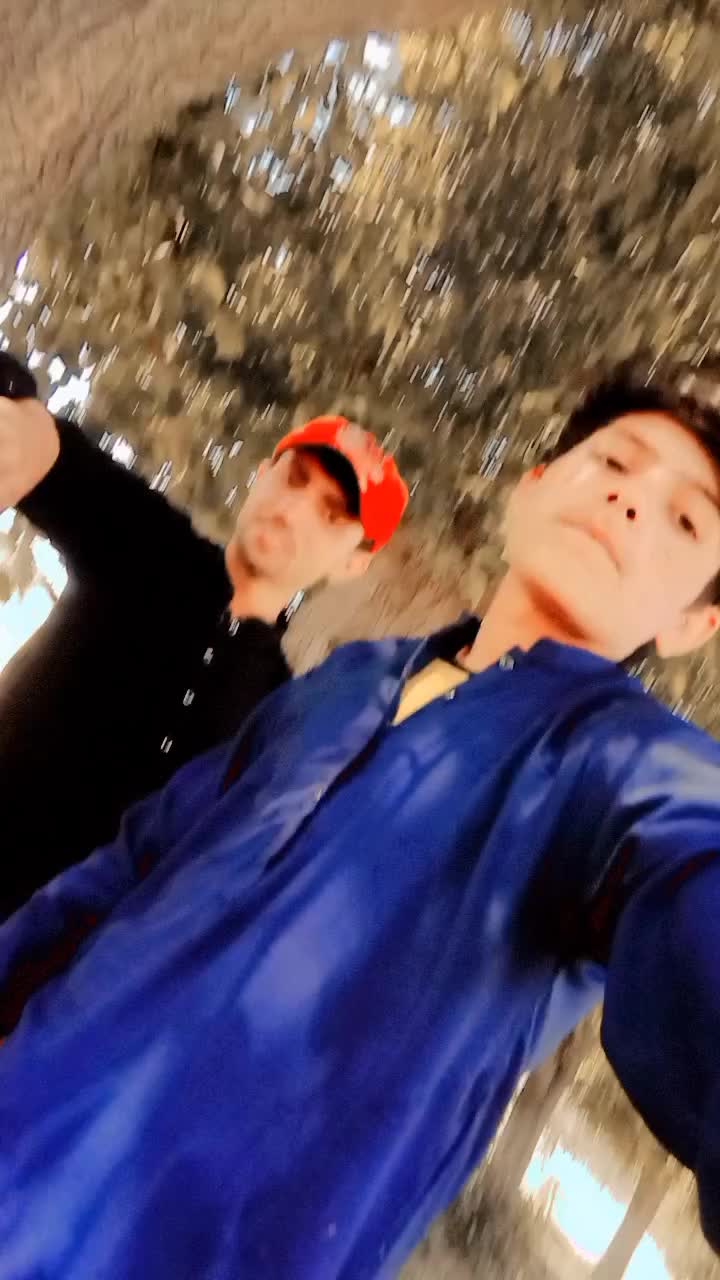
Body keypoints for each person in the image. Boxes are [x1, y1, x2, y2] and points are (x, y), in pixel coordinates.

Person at [3, 353, 720, 1279]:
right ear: (531, 489)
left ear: (695, 623)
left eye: (687, 518)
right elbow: (131, 868)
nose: (630, 501)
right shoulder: (339, 685)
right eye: (614, 463)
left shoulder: (628, 777)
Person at [0, 352, 408, 917]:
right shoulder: (150, 546)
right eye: (294, 478)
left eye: (332, 514)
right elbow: (46, 450)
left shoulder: (278, 724)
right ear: (262, 476)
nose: (293, 510)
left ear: (353, 564)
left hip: (50, 964)